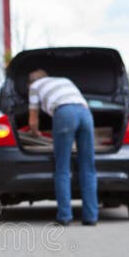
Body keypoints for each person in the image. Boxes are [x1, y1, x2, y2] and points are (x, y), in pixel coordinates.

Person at [28, 70, 98, 226]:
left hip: (65, 113)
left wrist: (35, 133)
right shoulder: (65, 79)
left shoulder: (35, 87)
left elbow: (33, 120)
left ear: (31, 82)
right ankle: (91, 216)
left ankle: (65, 216)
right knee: (88, 166)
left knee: (62, 167)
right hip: (85, 114)